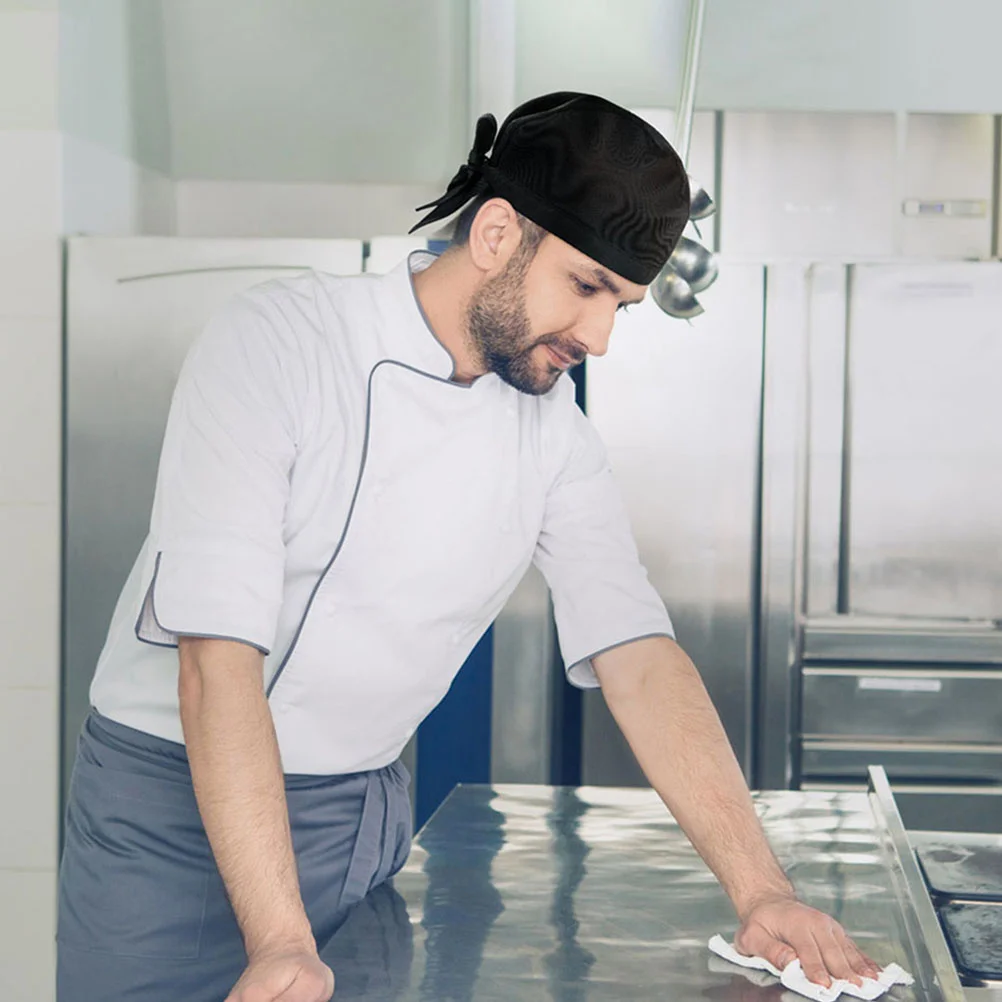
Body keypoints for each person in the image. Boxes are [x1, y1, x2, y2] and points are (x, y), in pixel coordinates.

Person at [57, 92, 879, 1002]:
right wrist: (281, 938)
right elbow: (216, 661)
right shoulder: (280, 343)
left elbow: (638, 653)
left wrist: (762, 892)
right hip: (169, 813)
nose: (599, 337)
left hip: (356, 816)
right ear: (495, 233)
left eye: (625, 306)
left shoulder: (552, 433)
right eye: (587, 287)